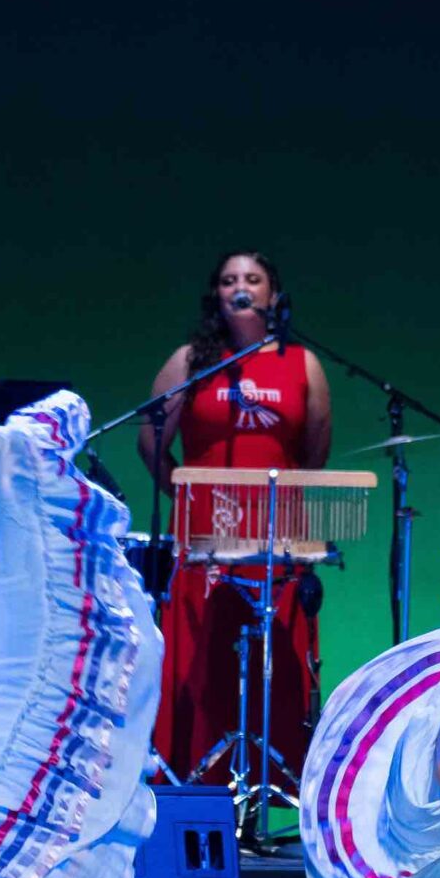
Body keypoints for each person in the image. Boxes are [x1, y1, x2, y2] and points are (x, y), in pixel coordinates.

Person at [140, 250, 333, 794]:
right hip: (205, 533)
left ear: (273, 294)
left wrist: (282, 503)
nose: (240, 287)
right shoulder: (190, 361)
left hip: (277, 536)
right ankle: (198, 782)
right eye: (229, 280)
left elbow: (314, 450)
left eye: (252, 278)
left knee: (277, 660)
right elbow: (150, 441)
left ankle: (273, 784)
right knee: (203, 665)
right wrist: (187, 497)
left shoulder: (302, 363)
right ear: (217, 295)